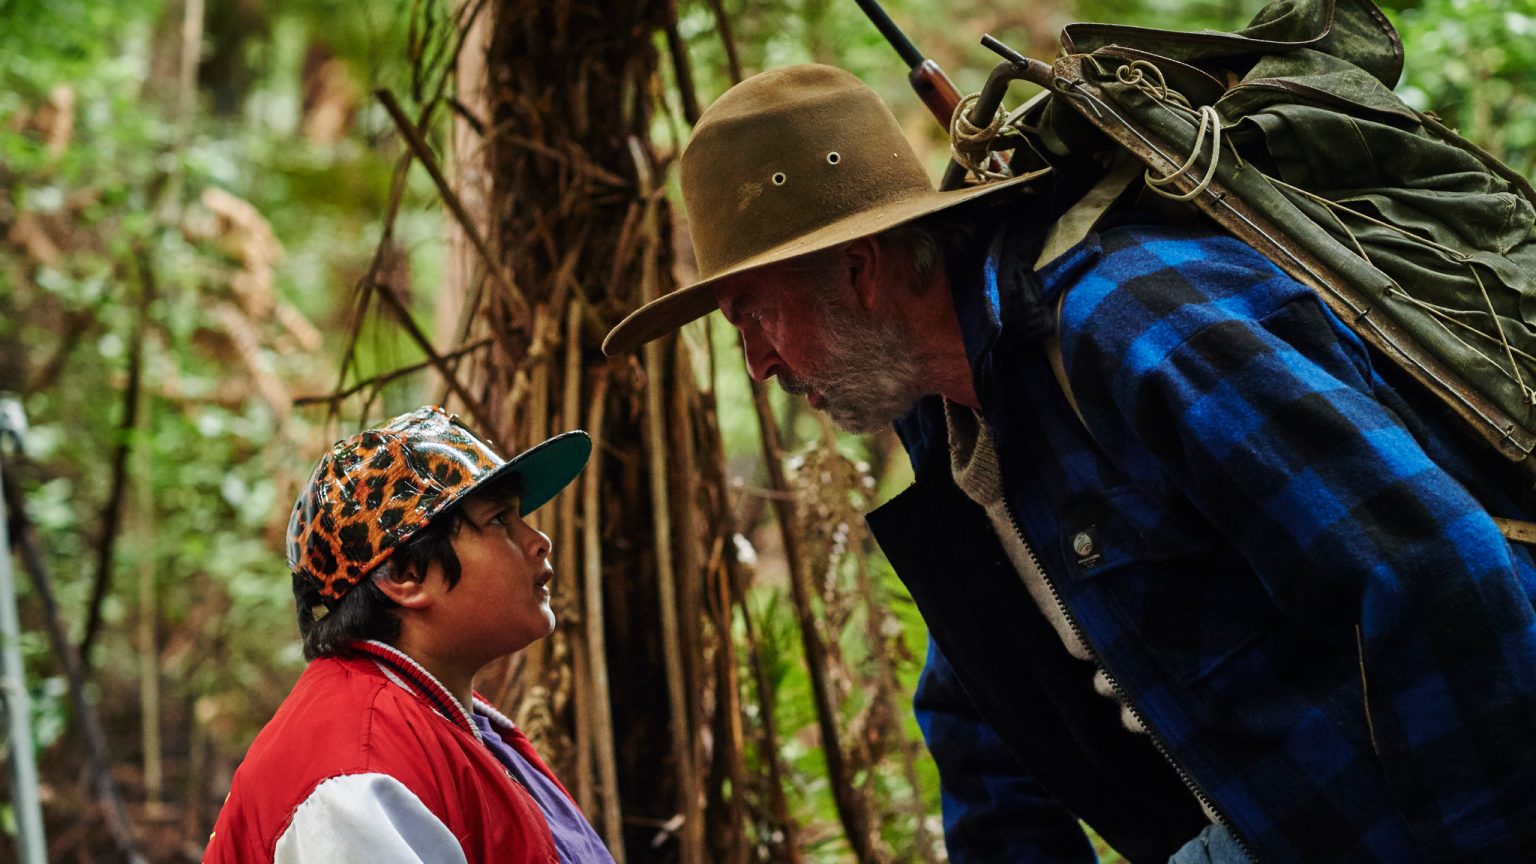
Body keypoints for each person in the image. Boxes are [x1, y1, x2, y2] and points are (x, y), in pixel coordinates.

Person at [601, 63, 1536, 863]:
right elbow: (988, 725)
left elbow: (1433, 572)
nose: (760, 365)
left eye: (755, 316)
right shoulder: (952, 425)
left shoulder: (1133, 326)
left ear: (860, 271)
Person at [205, 406, 614, 864]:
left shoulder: (449, 723)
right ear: (405, 574)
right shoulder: (353, 778)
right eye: (499, 519)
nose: (539, 540)